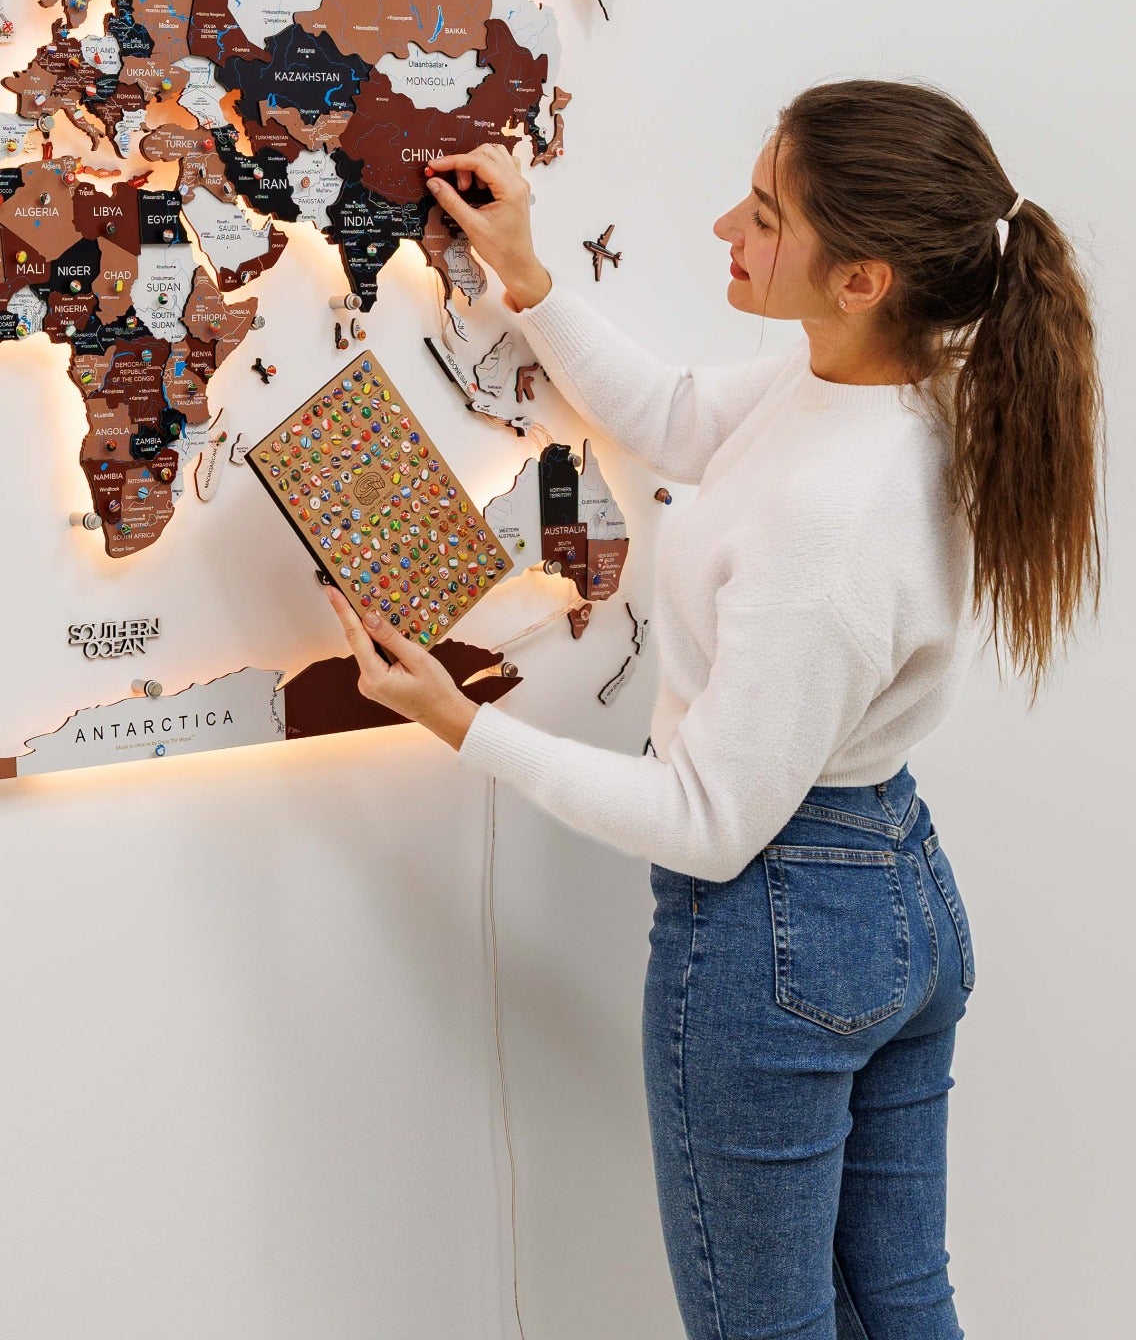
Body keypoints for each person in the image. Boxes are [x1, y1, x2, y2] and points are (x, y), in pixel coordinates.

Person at [323, 79, 1101, 1340]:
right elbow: (680, 418)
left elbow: (707, 820)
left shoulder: (830, 516)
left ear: (862, 278)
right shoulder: (882, 388)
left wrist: (465, 723)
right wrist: (524, 272)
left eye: (762, 214)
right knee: (897, 1303)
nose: (723, 228)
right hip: (890, 890)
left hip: (782, 929)